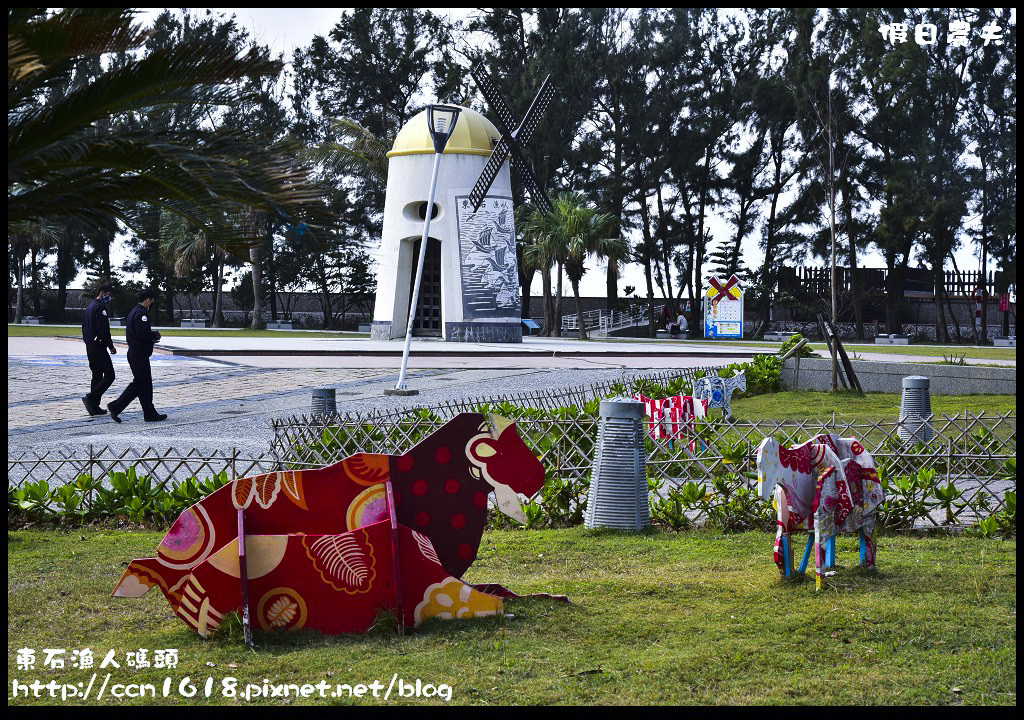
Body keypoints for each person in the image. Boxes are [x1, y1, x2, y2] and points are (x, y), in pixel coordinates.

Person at [108, 288, 167, 423]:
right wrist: (153, 336)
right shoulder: (141, 314)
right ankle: (116, 406)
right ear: (148, 300)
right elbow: (142, 334)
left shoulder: (134, 311)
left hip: (136, 353)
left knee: (145, 384)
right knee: (140, 383)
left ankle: (149, 413)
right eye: (151, 301)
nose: (152, 303)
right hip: (138, 353)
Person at [81, 284, 117, 415]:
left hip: (90, 345)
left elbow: (84, 327)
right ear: (102, 293)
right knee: (110, 375)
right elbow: (104, 329)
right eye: (109, 295)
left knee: (96, 375)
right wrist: (110, 346)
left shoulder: (89, 307)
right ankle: (91, 397)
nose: (110, 298)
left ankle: (94, 406)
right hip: (98, 345)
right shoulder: (100, 307)